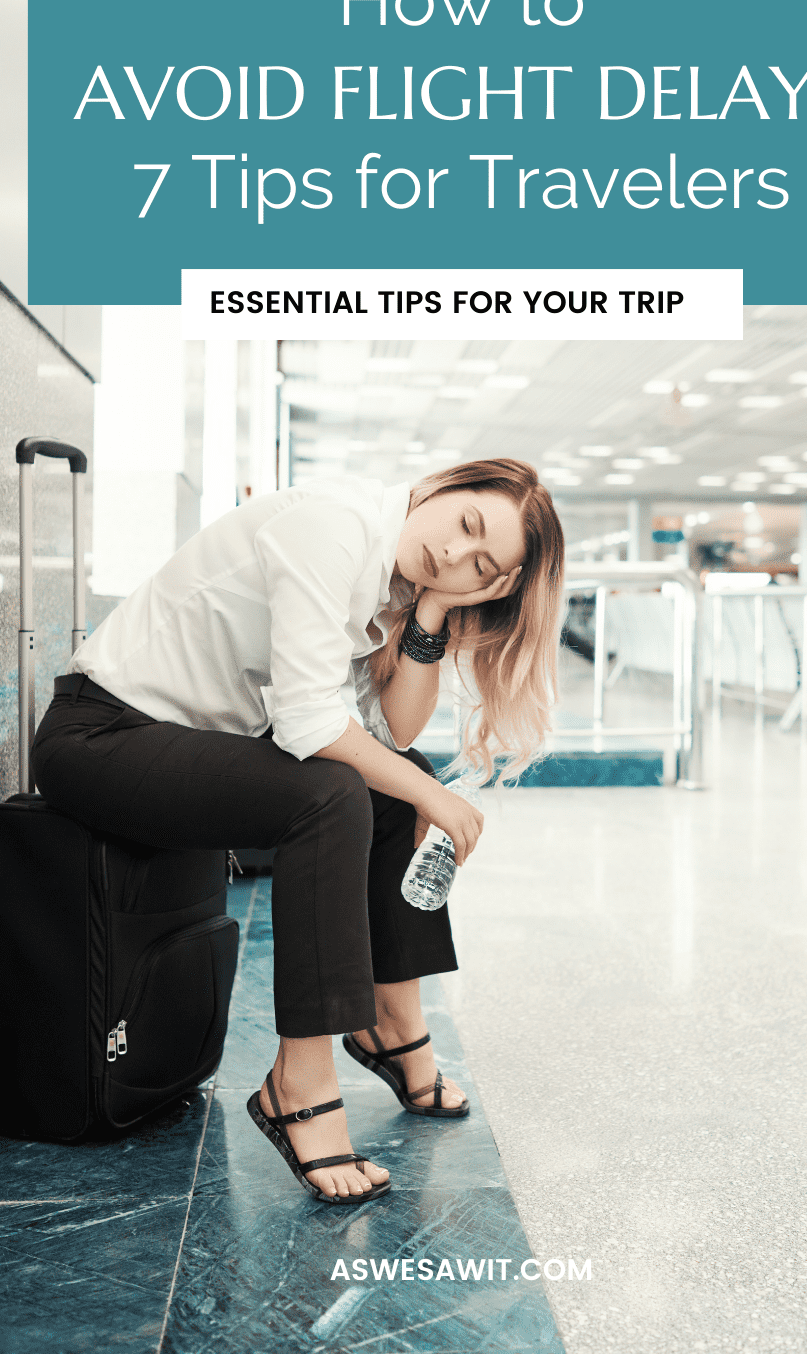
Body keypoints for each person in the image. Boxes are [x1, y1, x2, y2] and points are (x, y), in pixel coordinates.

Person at [30, 458, 564, 1206]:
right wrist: (435, 797)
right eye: (467, 525)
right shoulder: (335, 522)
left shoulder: (397, 582)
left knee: (387, 781)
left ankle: (391, 1024)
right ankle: (299, 1083)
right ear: (445, 485)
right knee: (335, 791)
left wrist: (435, 611)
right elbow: (311, 723)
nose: (453, 554)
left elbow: (394, 728)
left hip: (181, 744)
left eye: (481, 565)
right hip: (100, 738)